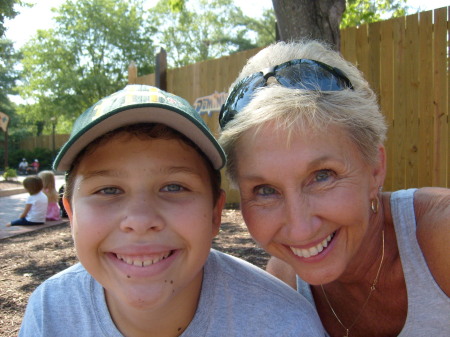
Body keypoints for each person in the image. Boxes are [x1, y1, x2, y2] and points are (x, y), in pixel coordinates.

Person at [18, 85, 324, 337]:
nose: (139, 221)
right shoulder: (49, 313)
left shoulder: (284, 324)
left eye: (174, 187)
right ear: (70, 214)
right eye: (108, 190)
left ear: (215, 214)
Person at [218, 40, 450, 337]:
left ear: (375, 169)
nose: (300, 230)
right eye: (265, 190)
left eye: (322, 176)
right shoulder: (283, 284)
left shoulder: (440, 237)